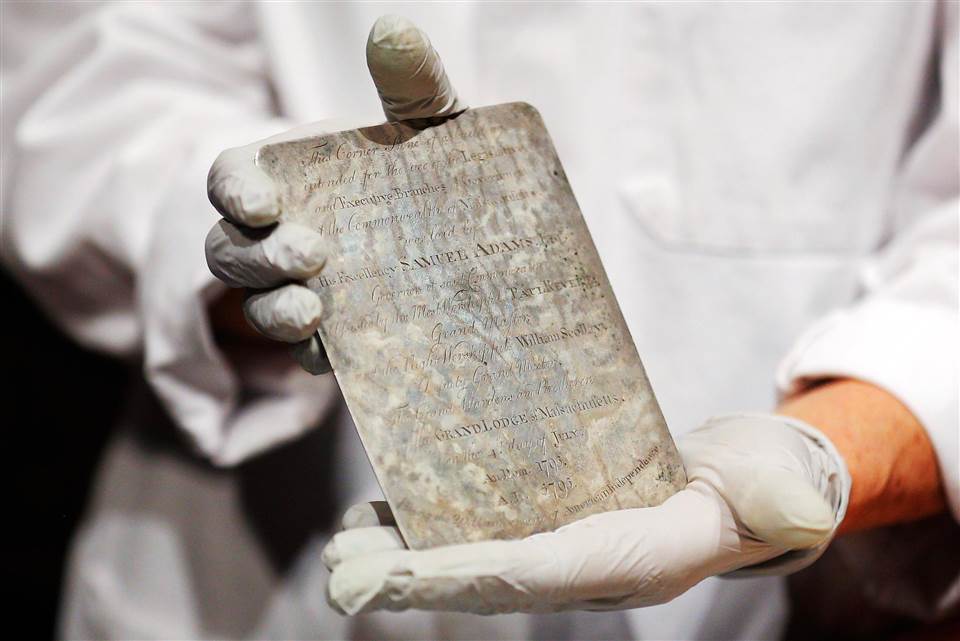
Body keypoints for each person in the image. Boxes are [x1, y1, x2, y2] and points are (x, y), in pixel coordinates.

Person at [2, 3, 956, 640]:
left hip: (763, 597)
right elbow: (80, 70)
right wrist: (255, 244)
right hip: (260, 571)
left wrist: (816, 456)